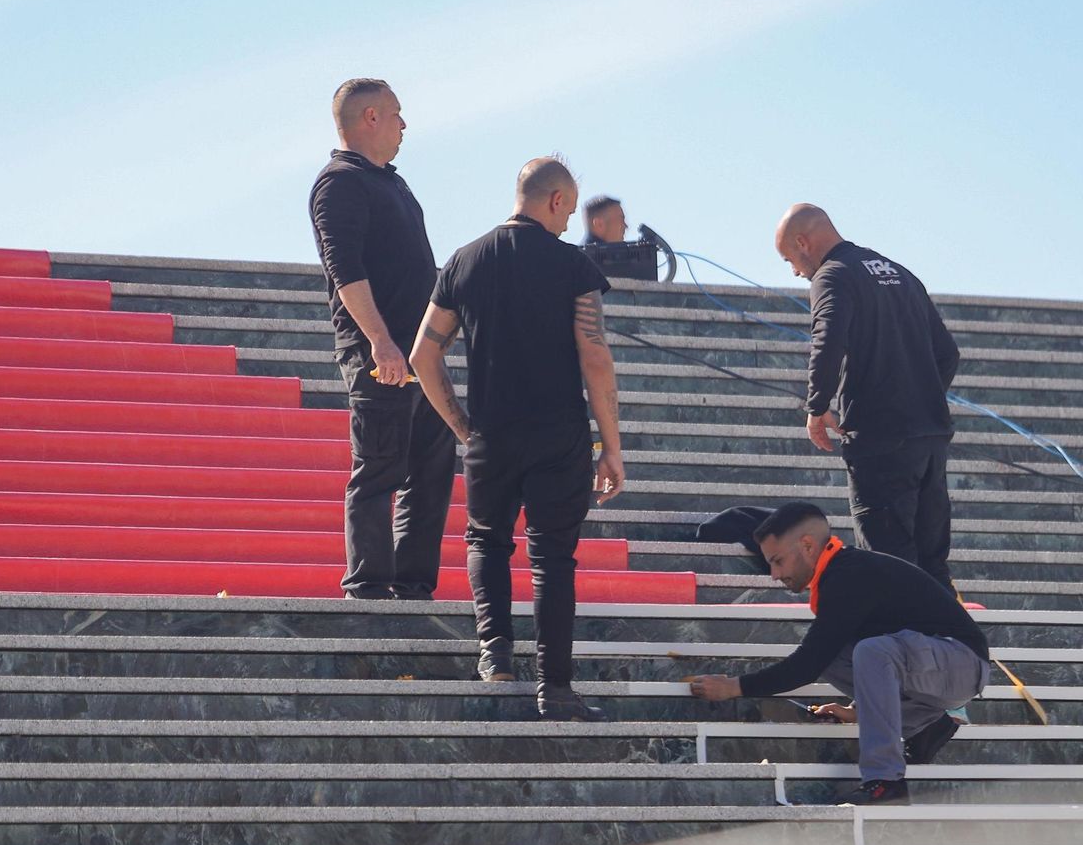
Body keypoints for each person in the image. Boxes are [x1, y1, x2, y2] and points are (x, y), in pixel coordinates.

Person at [409, 155, 625, 721]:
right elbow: (595, 356)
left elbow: (422, 354)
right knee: (553, 557)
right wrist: (611, 447)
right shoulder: (570, 265)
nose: (567, 222)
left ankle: (496, 654)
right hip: (558, 433)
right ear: (555, 201)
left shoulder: (465, 260)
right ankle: (555, 688)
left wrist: (460, 424)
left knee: (487, 541)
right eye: (569, 210)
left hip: (492, 434)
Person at [688, 502, 989, 805]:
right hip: (932, 670)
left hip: (962, 662)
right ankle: (927, 726)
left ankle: (885, 782)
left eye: (777, 562)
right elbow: (834, 656)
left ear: (806, 545)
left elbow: (806, 665)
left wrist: (735, 687)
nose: (774, 575)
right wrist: (858, 711)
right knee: (833, 655)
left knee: (866, 652)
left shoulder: (848, 575)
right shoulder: (839, 575)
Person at [308, 79, 455, 600]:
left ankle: (413, 584)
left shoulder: (392, 182)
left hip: (422, 356)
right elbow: (344, 269)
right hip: (382, 355)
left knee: (432, 472)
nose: (403, 125)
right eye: (397, 114)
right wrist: (381, 341)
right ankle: (368, 587)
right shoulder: (340, 183)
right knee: (379, 468)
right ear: (370, 117)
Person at [775, 204, 960, 591]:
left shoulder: (832, 276)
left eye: (790, 259)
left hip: (880, 443)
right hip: (929, 440)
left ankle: (900, 649)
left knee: (888, 565)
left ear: (803, 242)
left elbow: (827, 342)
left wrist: (816, 406)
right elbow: (947, 353)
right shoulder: (900, 273)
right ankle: (948, 647)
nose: (794, 271)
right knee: (932, 564)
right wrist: (917, 400)